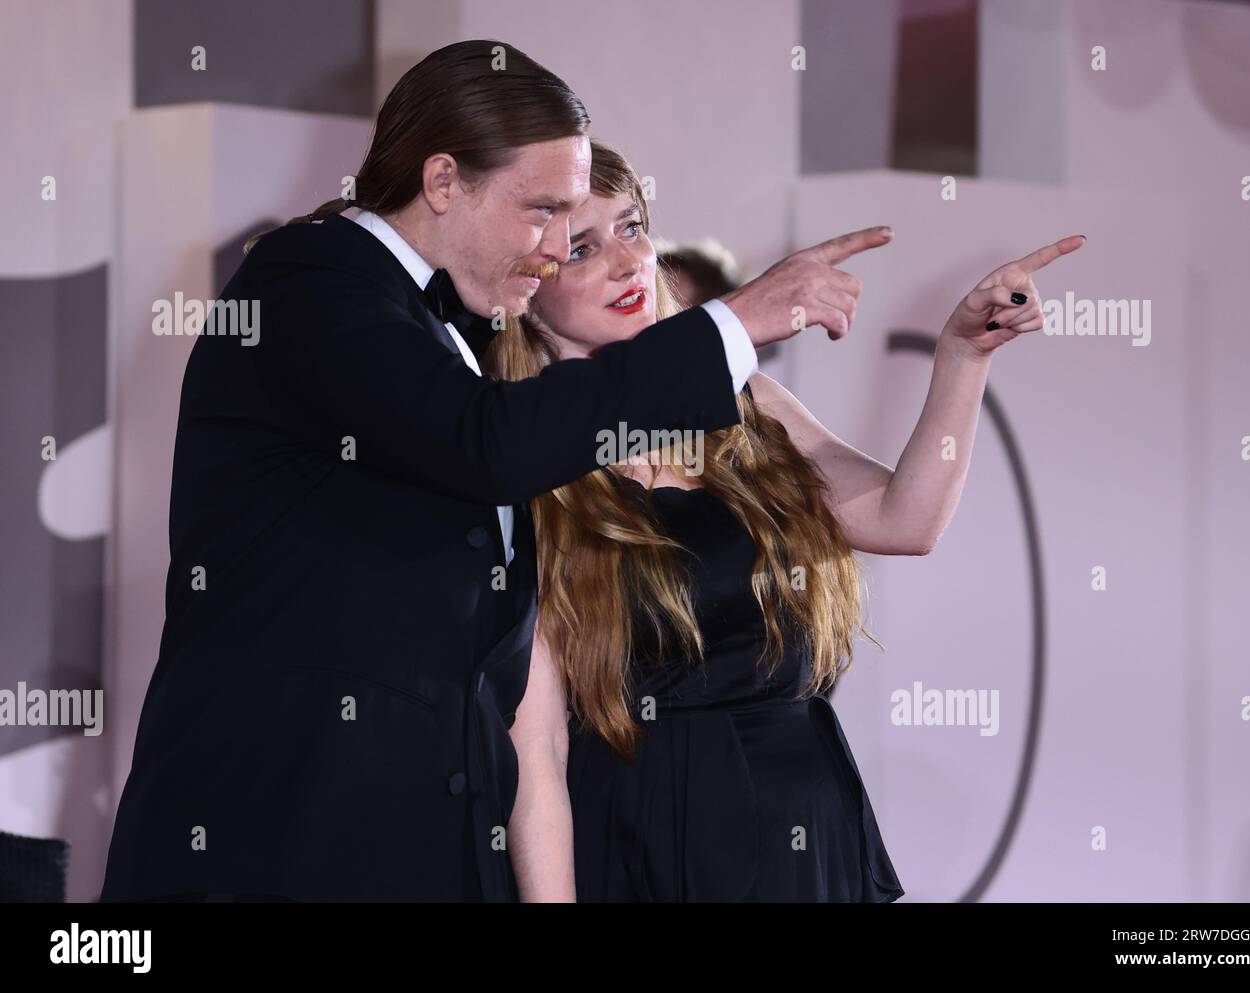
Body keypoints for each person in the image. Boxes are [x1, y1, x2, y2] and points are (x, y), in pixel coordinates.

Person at [98, 41, 887, 903]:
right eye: (543, 210)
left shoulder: (461, 346)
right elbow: (484, 441)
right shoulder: (307, 279)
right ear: (443, 181)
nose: (555, 247)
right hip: (276, 847)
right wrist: (732, 323)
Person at [497, 142, 1083, 901]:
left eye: (633, 227)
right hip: (645, 833)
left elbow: (904, 517)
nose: (627, 261)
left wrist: (963, 356)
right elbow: (536, 749)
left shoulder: (746, 403)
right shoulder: (518, 455)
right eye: (583, 246)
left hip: (803, 818)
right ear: (527, 288)